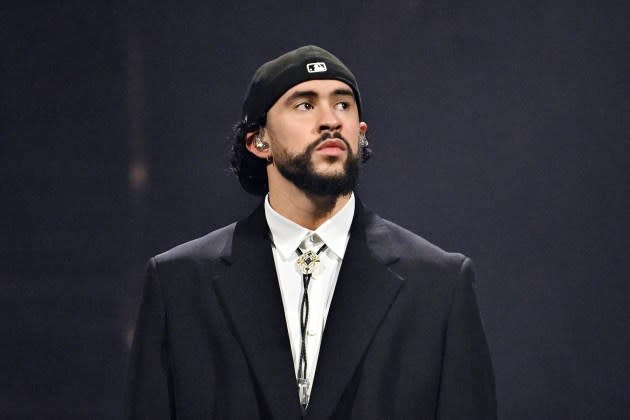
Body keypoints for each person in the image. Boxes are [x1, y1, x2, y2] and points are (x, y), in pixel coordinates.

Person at [125, 45, 496, 419]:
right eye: (305, 104)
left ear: (361, 134)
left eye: (343, 105)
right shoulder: (179, 284)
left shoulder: (438, 284)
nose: (330, 120)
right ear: (258, 140)